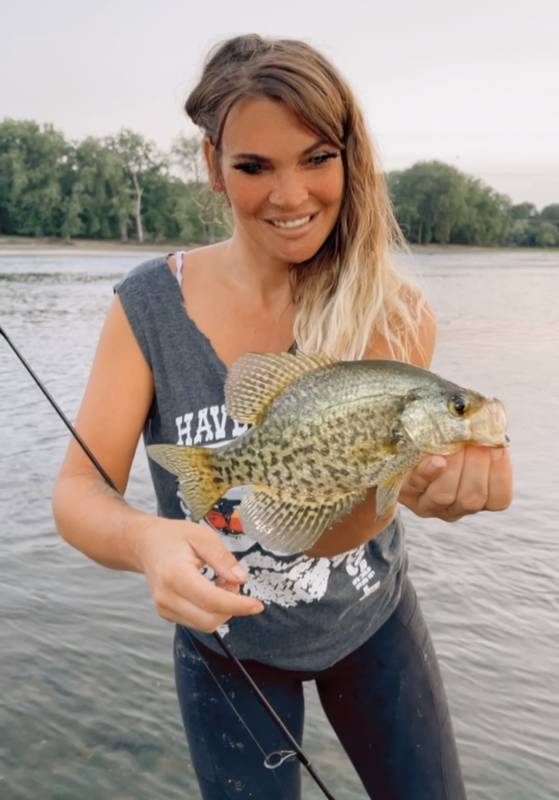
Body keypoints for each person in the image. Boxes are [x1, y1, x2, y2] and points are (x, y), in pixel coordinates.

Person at [52, 34, 513, 800]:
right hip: (224, 643)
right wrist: (146, 540)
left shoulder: (394, 314)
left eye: (316, 158)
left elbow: (343, 527)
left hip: (374, 624)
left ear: (349, 159)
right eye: (253, 166)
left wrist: (411, 481)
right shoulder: (147, 308)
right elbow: (77, 493)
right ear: (211, 167)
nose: (290, 195)